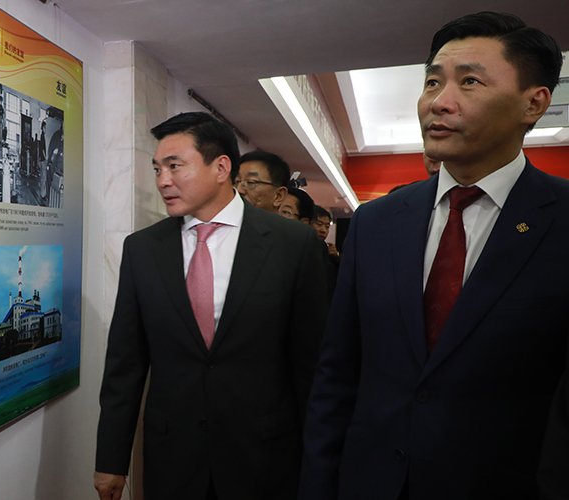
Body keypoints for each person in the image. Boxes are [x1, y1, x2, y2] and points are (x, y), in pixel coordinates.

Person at [300, 12, 569, 500]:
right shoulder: (376, 222)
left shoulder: (561, 220)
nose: (438, 102)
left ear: (533, 103)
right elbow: (338, 375)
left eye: (469, 82)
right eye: (432, 82)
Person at [95, 112, 328, 500]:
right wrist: (111, 460)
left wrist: (321, 464)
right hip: (174, 460)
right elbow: (125, 364)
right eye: (157, 169)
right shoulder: (143, 250)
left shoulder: (292, 245)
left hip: (265, 458)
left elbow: (312, 365)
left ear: (221, 168)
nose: (162, 180)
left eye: (174, 166)